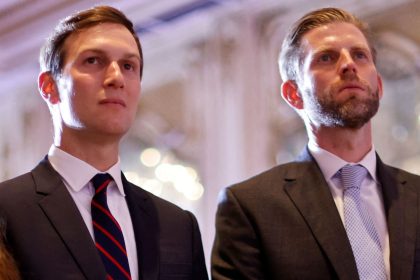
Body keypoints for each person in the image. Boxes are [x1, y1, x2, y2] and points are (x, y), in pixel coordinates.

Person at [211, 7, 420, 280]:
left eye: (359, 55)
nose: (348, 65)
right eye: (326, 57)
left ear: (378, 87)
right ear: (294, 94)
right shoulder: (250, 207)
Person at [0, 6, 207, 280]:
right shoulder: (7, 209)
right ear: (49, 86)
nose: (116, 78)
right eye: (93, 61)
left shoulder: (178, 226)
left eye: (128, 66)